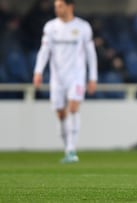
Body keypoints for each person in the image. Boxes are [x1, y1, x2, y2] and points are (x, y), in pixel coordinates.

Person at [33, 0, 97, 163]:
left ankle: (71, 150)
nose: (57, 9)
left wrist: (93, 77)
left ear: (70, 6)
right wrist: (38, 71)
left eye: (60, 6)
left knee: (73, 108)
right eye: (56, 6)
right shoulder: (50, 27)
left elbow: (91, 54)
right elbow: (44, 51)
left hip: (76, 76)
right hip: (57, 78)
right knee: (61, 114)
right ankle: (66, 147)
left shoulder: (83, 27)